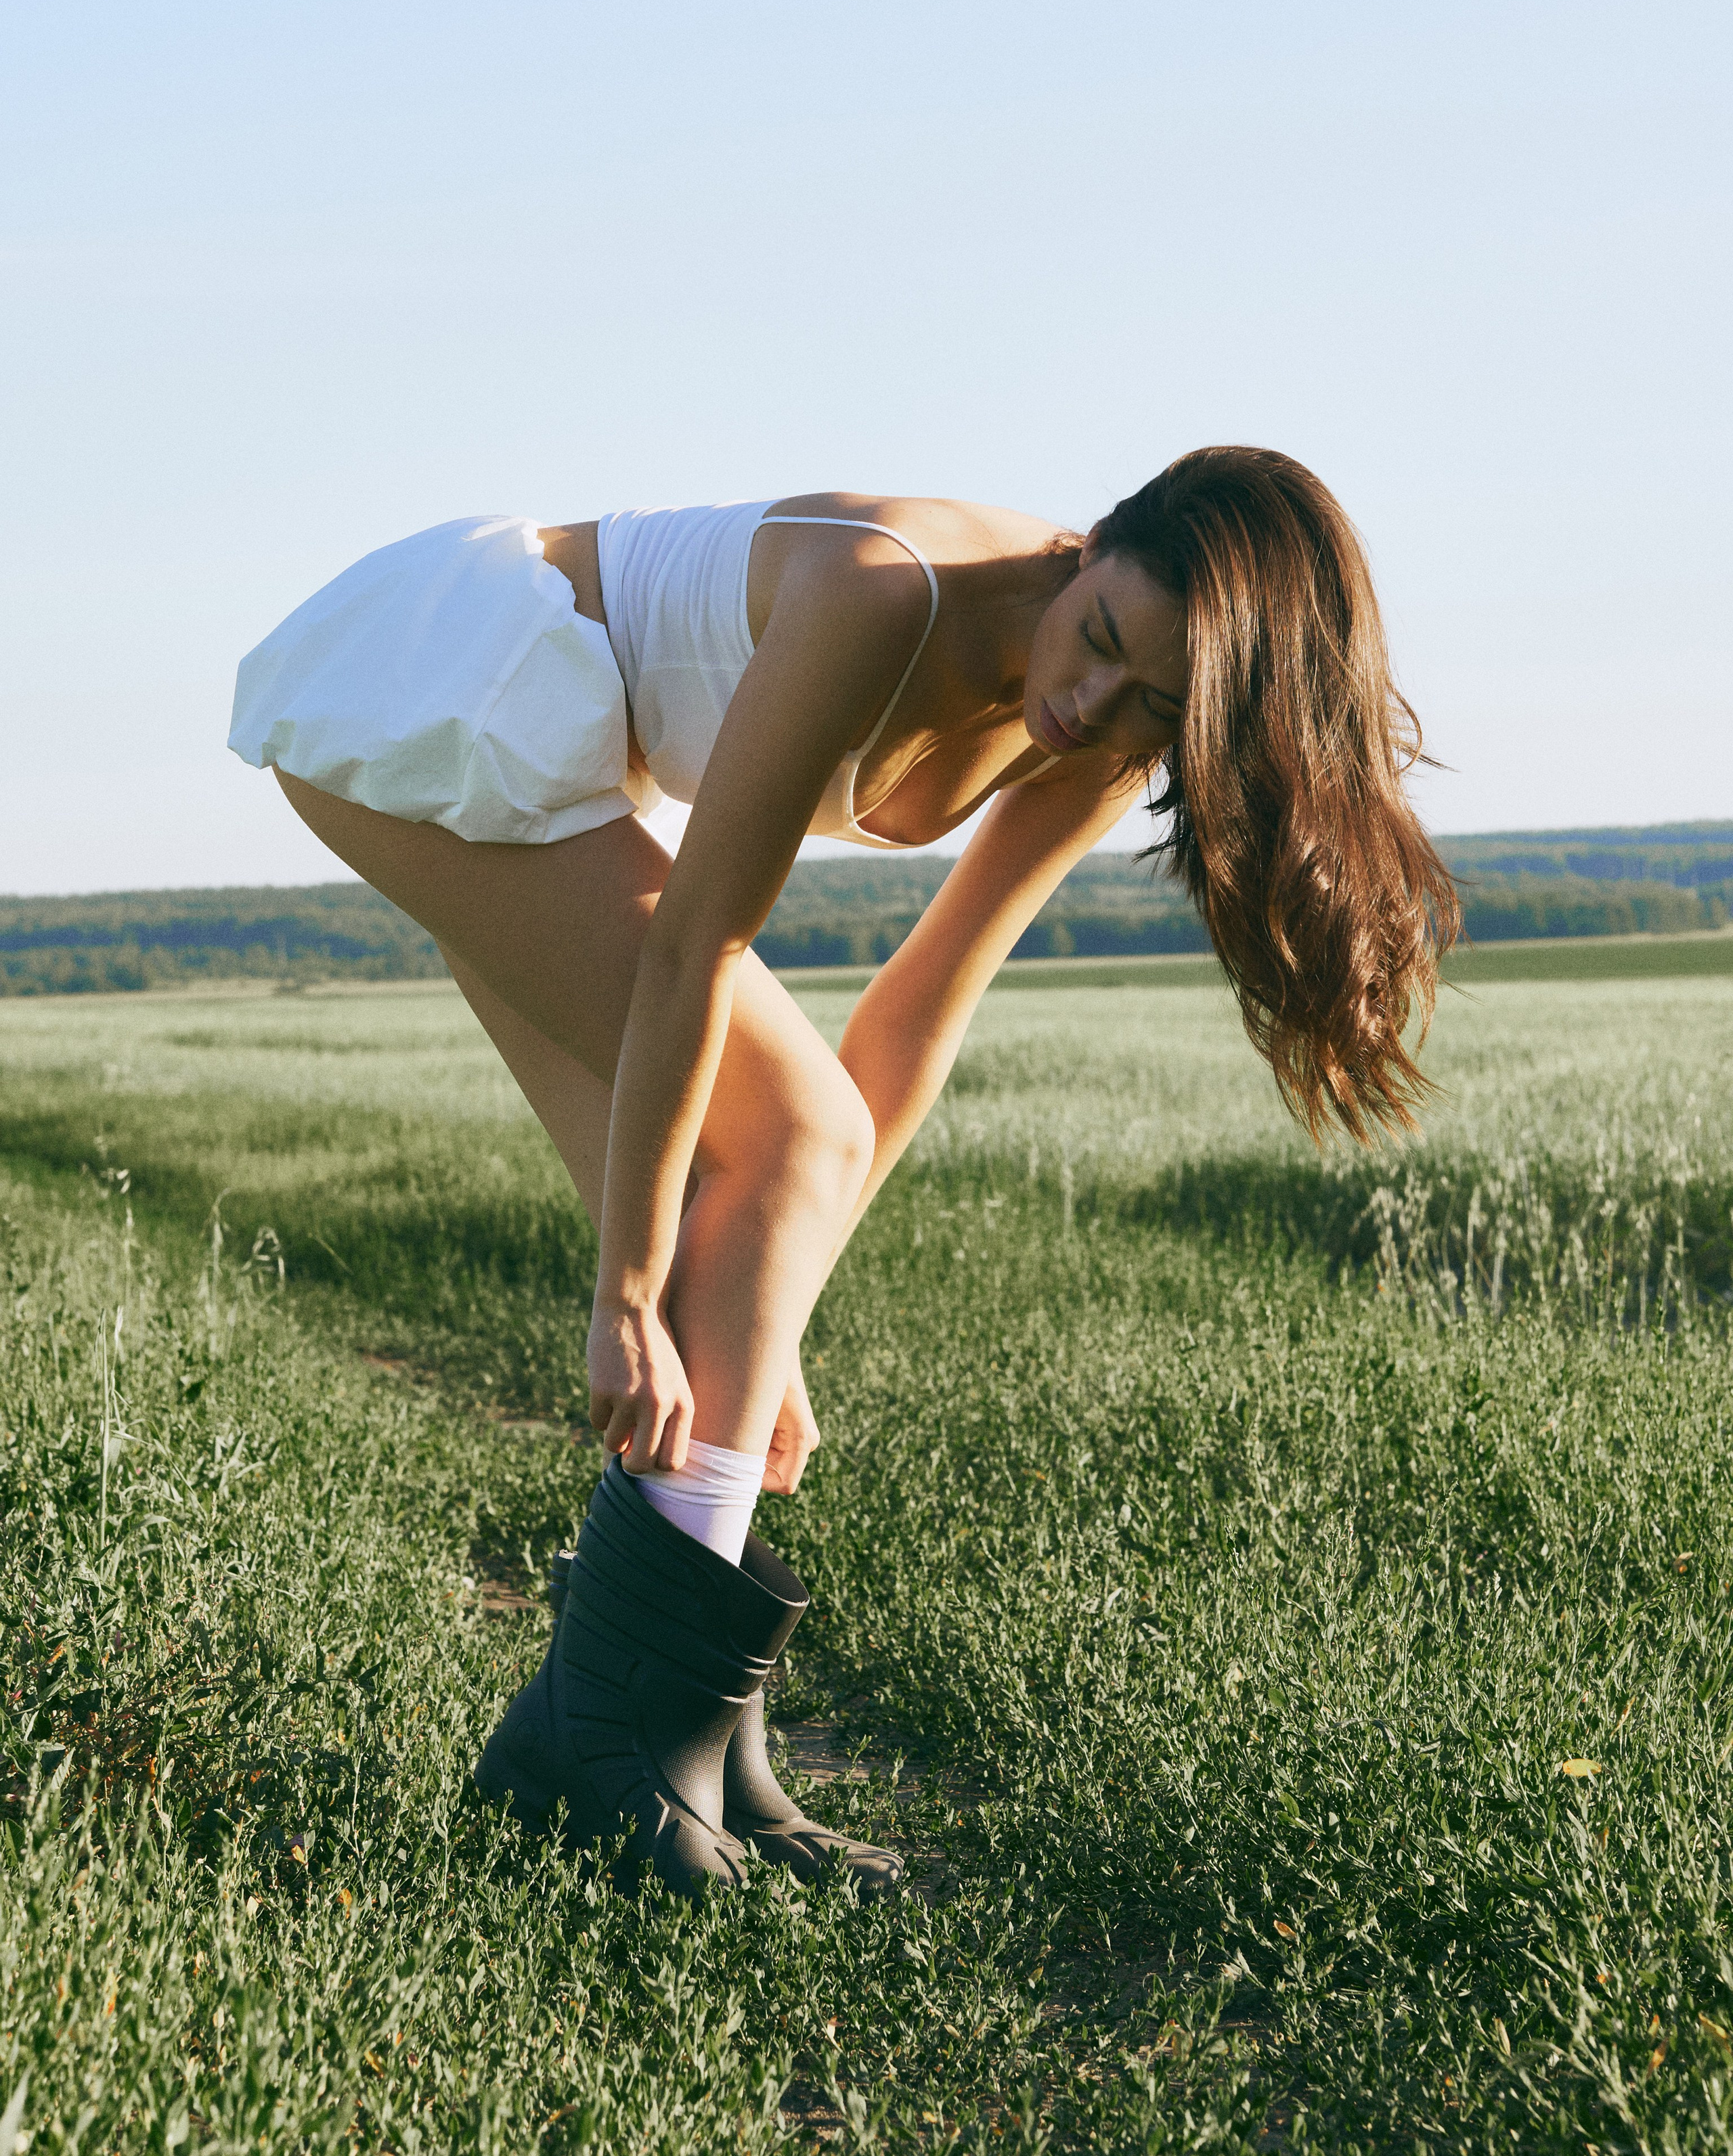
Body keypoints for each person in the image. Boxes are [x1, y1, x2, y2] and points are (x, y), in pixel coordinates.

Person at [229, 447, 1459, 1900]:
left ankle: (683, 1748)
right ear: (1086, 550)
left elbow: (918, 1006)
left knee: (752, 1216)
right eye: (1105, 643)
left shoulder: (1104, 733)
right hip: (443, 671)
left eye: (1152, 711)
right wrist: (623, 1293)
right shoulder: (885, 595)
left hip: (541, 745)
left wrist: (775, 1306)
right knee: (778, 1149)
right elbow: (698, 943)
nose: (1089, 707)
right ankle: (614, 1745)